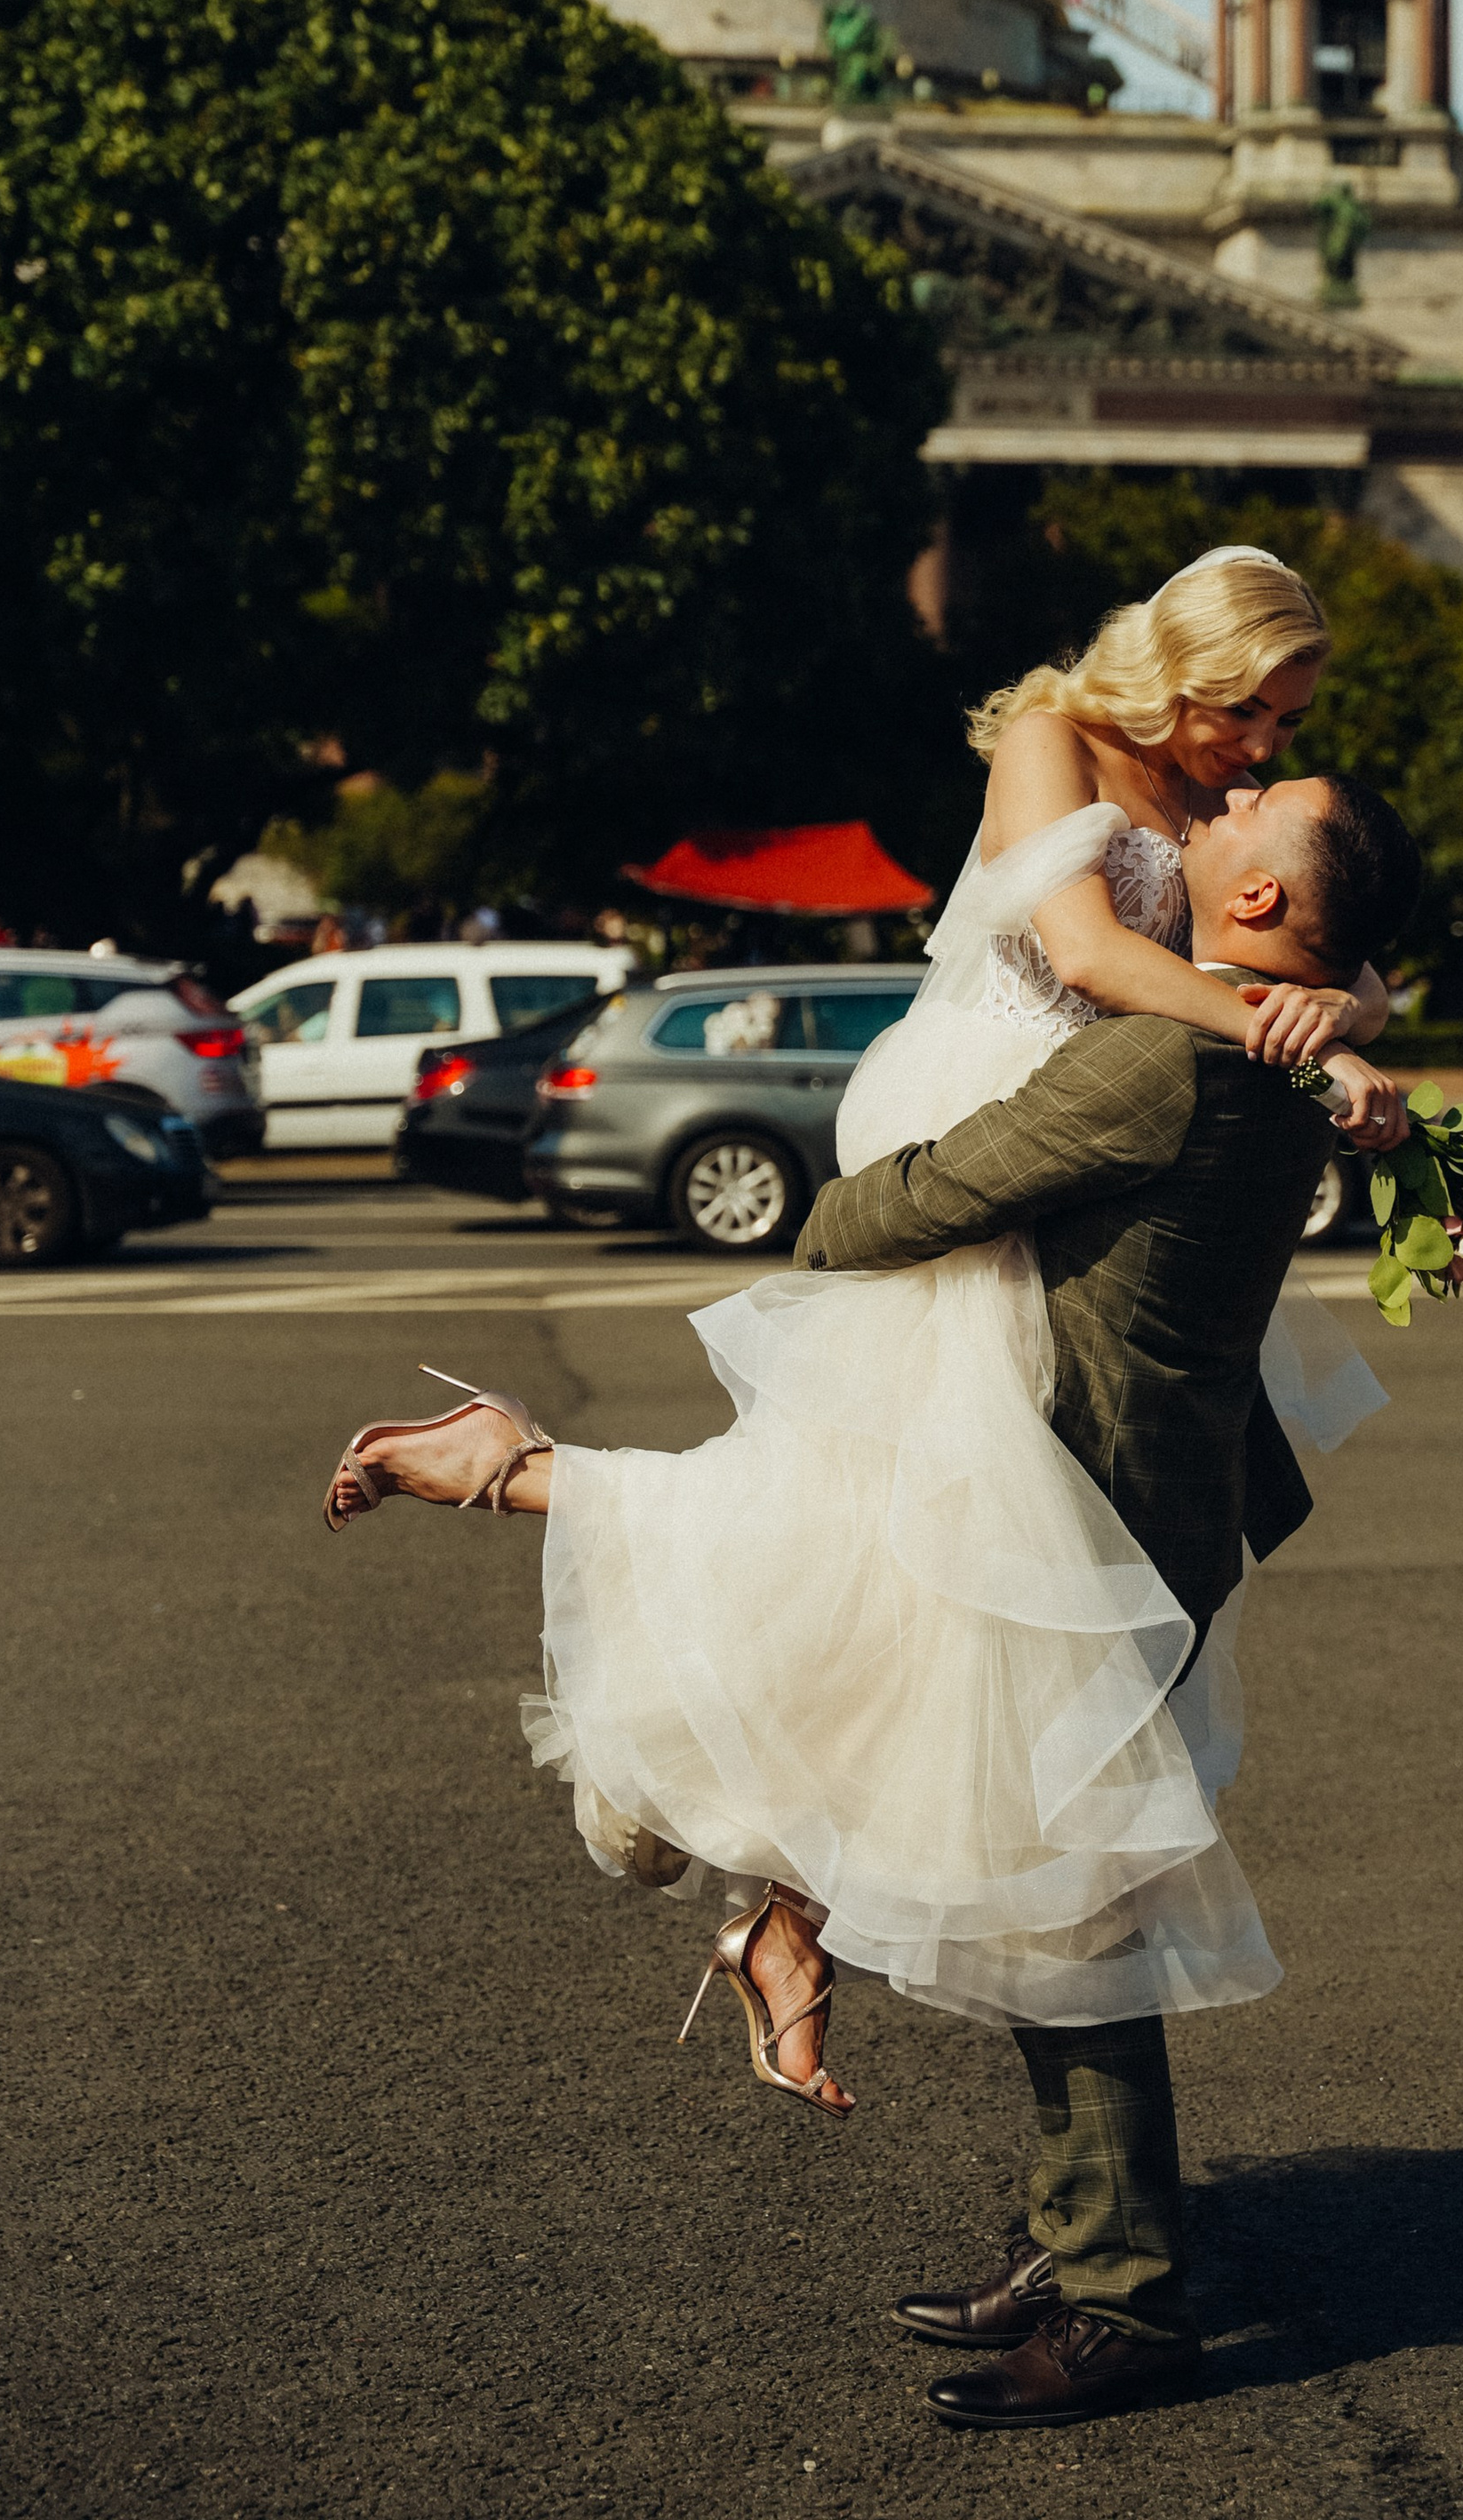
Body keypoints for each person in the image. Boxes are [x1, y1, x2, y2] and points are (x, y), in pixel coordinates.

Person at [319, 561, 1408, 2129]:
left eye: (1289, 725)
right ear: (1187, 669)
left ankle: (777, 1904)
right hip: (981, 1102)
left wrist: (1341, 1025)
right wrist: (1266, 1026)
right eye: (1255, 713)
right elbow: (1095, 960)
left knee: (917, 1572)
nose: (1261, 746)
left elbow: (1346, 955)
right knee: (935, 1544)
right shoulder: (1053, 732)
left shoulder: (1224, 811)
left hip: (1088, 1121)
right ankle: (536, 1501)